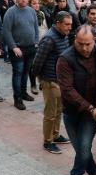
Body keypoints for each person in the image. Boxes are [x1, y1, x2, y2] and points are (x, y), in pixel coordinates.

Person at [57, 25, 96, 175]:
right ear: (74, 40)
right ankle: (95, 173)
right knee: (79, 148)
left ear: (95, 41)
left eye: (88, 44)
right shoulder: (65, 58)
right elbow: (67, 89)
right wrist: (90, 107)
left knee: (84, 148)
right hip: (72, 111)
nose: (84, 48)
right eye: (80, 44)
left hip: (90, 114)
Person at [31, 11, 73, 154]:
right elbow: (37, 62)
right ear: (58, 23)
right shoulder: (49, 39)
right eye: (66, 25)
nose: (69, 28)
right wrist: (39, 80)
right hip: (50, 81)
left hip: (60, 80)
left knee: (59, 110)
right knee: (50, 113)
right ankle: (47, 141)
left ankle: (55, 135)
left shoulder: (64, 36)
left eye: (70, 25)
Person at [3, 0, 39, 110]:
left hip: (31, 48)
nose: (23, 0)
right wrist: (13, 47)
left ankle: (23, 93)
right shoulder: (11, 12)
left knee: (25, 72)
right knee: (18, 73)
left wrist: (36, 41)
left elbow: (35, 28)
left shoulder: (31, 11)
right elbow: (6, 32)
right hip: (17, 49)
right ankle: (17, 98)